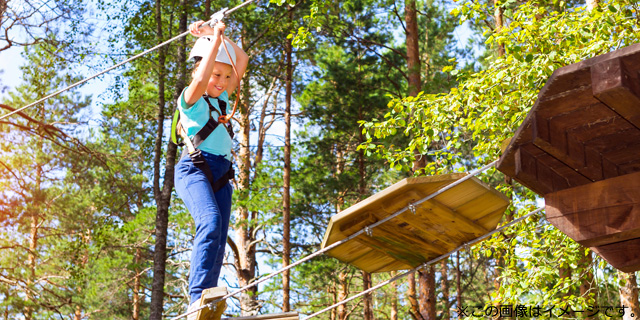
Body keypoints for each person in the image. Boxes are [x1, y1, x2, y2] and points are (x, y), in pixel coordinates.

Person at [173, 19, 248, 319]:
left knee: (218, 237)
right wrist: (214, 40)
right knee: (211, 222)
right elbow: (204, 77)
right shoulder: (190, 100)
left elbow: (240, 60)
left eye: (226, 77)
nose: (221, 81)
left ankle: (208, 299)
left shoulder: (224, 99)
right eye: (217, 74)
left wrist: (215, 35)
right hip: (193, 169)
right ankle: (197, 300)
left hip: (220, 176)